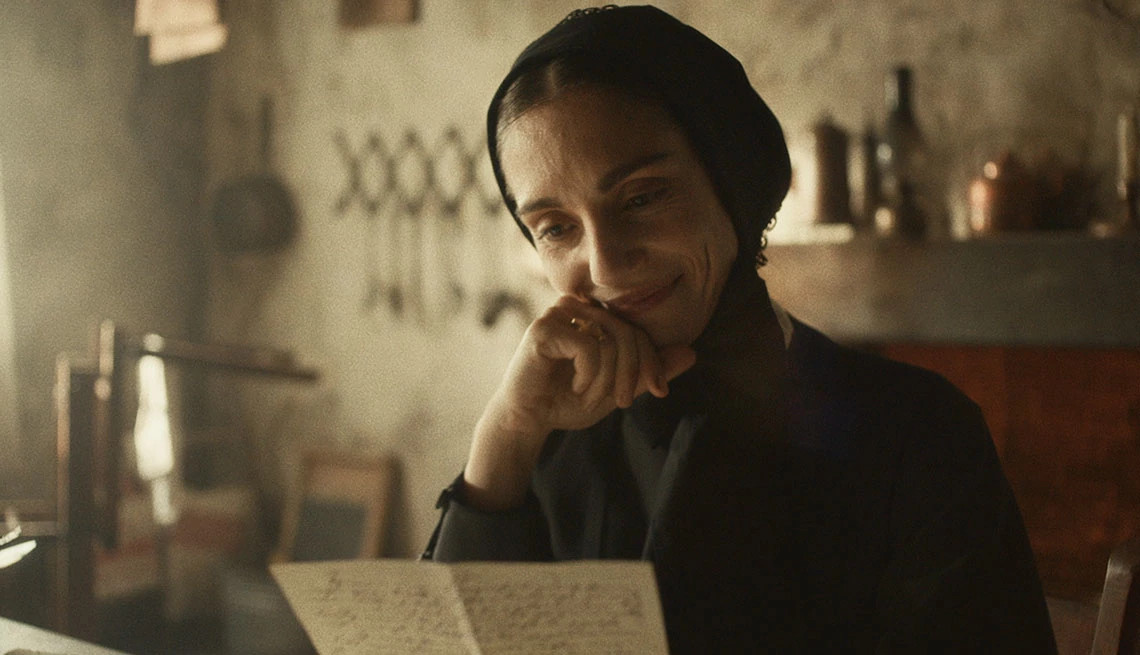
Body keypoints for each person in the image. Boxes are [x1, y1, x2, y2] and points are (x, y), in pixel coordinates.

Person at [424, 5, 1057, 652]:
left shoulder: (916, 436)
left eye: (642, 197)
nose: (606, 264)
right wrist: (504, 437)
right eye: (557, 227)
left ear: (731, 180)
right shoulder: (546, 444)